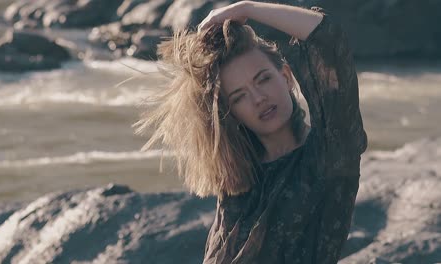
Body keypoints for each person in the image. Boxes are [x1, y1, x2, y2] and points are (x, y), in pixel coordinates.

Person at [132, 1, 368, 263]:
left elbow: (328, 39)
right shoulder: (241, 171)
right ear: (231, 112)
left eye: (263, 79)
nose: (258, 99)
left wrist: (246, 9)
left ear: (287, 77)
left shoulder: (330, 153)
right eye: (239, 96)